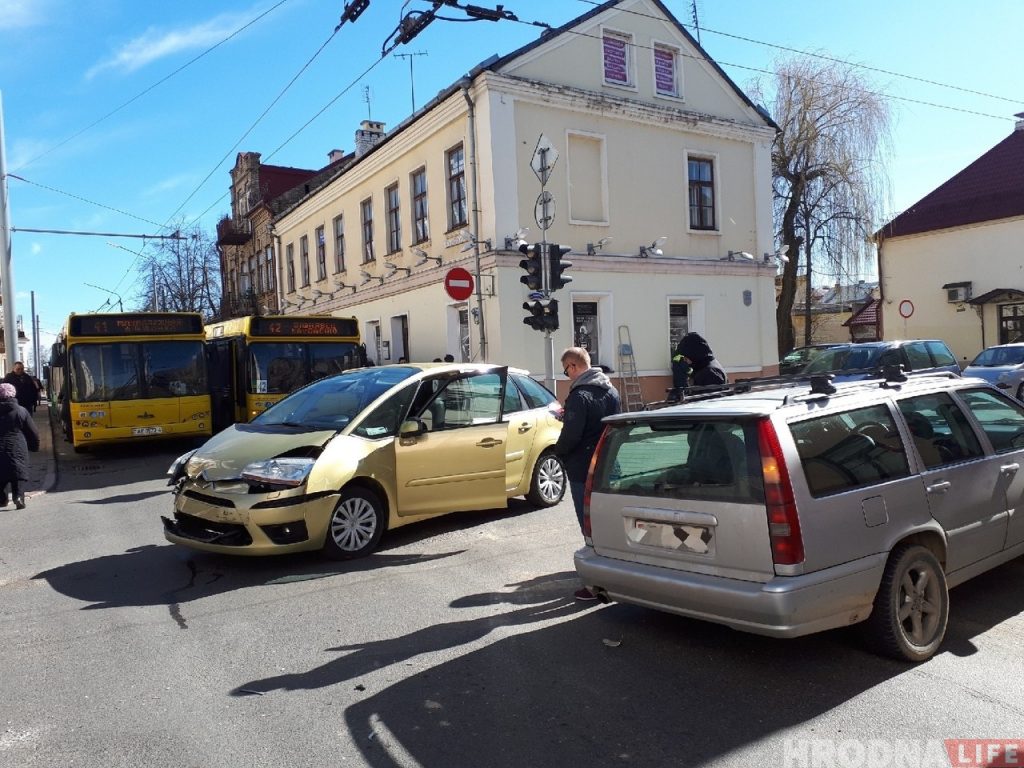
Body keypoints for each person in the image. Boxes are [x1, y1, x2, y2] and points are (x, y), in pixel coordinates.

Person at [553, 347, 621, 601]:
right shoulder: (611, 390)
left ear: (572, 366)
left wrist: (559, 452)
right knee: (610, 524)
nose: (567, 375)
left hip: (584, 468)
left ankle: (594, 585)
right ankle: (617, 578)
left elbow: (572, 435)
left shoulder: (579, 396)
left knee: (589, 527)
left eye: (566, 370)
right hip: (610, 465)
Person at [0, 382, 40, 509]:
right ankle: (18, 497)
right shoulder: (21, 411)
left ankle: (2, 499)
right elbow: (32, 431)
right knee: (18, 473)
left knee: (1, 475)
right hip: (17, 446)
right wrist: (34, 446)